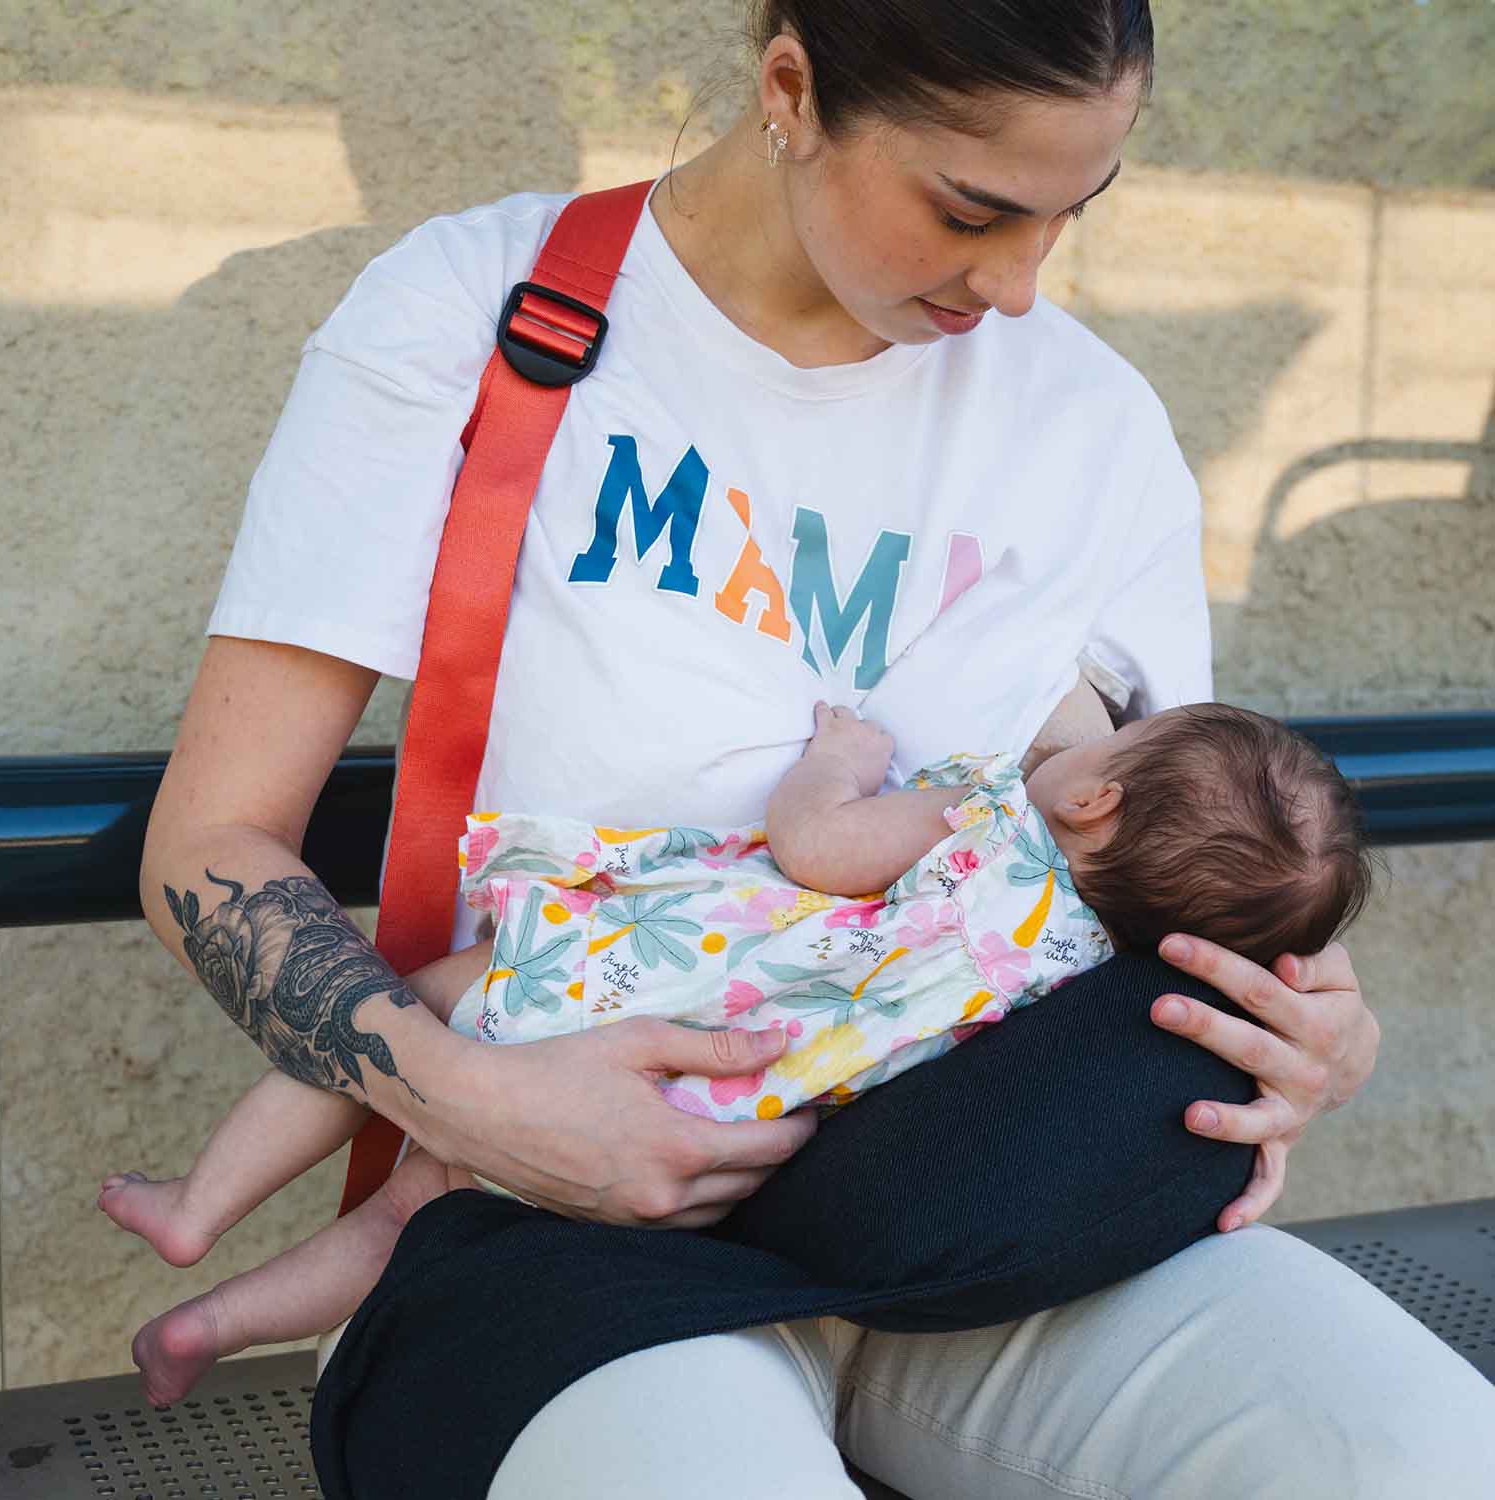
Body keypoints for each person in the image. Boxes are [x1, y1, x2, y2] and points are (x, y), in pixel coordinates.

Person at [137, 1, 1495, 1494]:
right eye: (972, 210)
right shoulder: (484, 314)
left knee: (1423, 1454)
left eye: (1069, 216)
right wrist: (469, 1103)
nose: (1018, 285)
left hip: (983, 1206)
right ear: (789, 87)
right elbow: (213, 849)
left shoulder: (1093, 424)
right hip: (550, 1224)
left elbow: (1172, 841)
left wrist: (1322, 1033)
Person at [110, 689, 1377, 1408]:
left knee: (391, 1006)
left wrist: (840, 762)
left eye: (1122, 735)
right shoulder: (1087, 960)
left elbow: (819, 850)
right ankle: (214, 1326)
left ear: (1095, 796)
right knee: (405, 1223)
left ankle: (198, 1205)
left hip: (628, 991)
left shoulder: (992, 821)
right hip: (720, 1127)